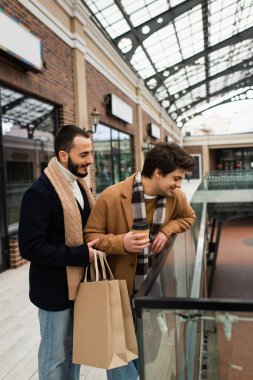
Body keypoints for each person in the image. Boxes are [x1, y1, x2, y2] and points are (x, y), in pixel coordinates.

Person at [85, 141, 196, 380]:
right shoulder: (112, 196)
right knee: (120, 364)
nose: (179, 185)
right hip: (117, 293)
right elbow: (91, 237)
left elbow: (189, 217)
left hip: (153, 291)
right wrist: (120, 244)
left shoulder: (176, 197)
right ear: (158, 173)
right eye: (176, 178)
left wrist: (167, 230)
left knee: (147, 355)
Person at [18, 125, 99, 380]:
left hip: (81, 286)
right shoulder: (39, 192)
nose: (90, 160)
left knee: (76, 351)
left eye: (91, 153)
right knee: (54, 356)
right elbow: (30, 247)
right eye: (84, 154)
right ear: (64, 156)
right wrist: (79, 255)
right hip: (54, 291)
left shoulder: (81, 187)